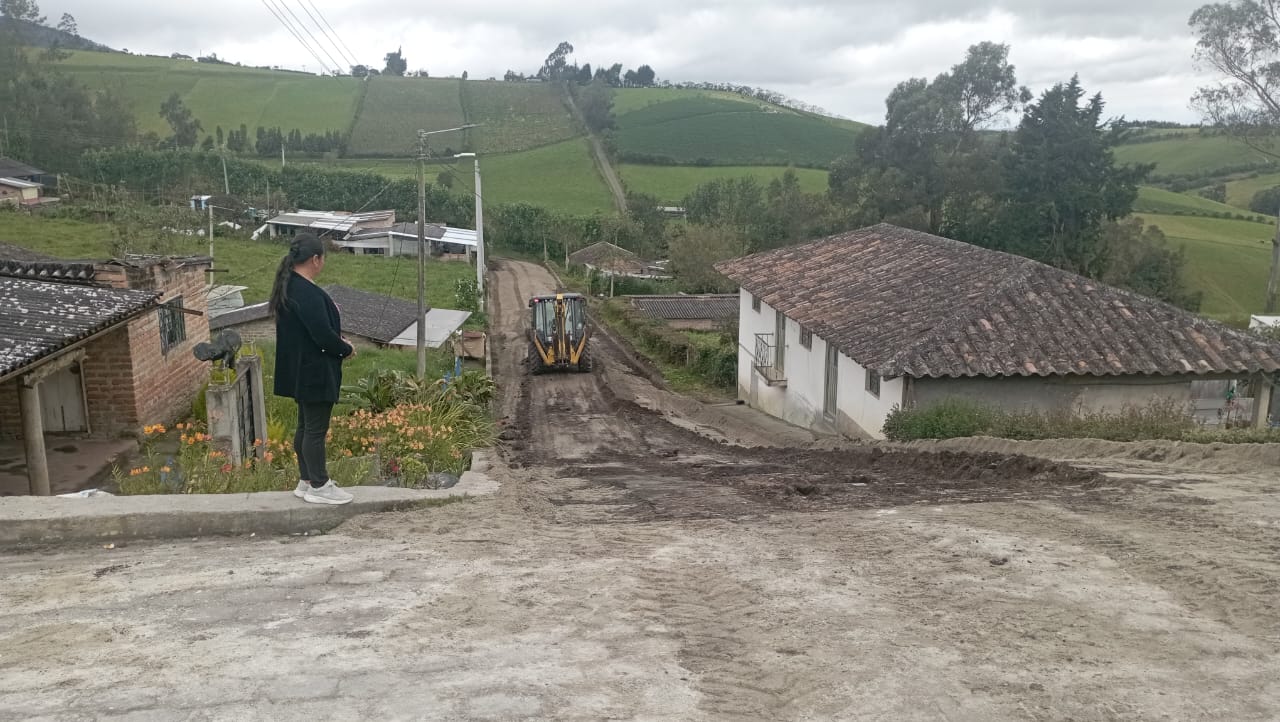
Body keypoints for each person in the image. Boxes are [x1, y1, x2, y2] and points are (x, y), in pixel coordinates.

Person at [268, 232, 356, 505]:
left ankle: (306, 480)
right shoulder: (306, 292)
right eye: (323, 258)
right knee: (315, 430)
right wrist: (345, 348)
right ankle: (319, 485)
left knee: (306, 427)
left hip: (300, 368)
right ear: (315, 259)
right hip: (314, 370)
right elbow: (322, 335)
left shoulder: (290, 286)